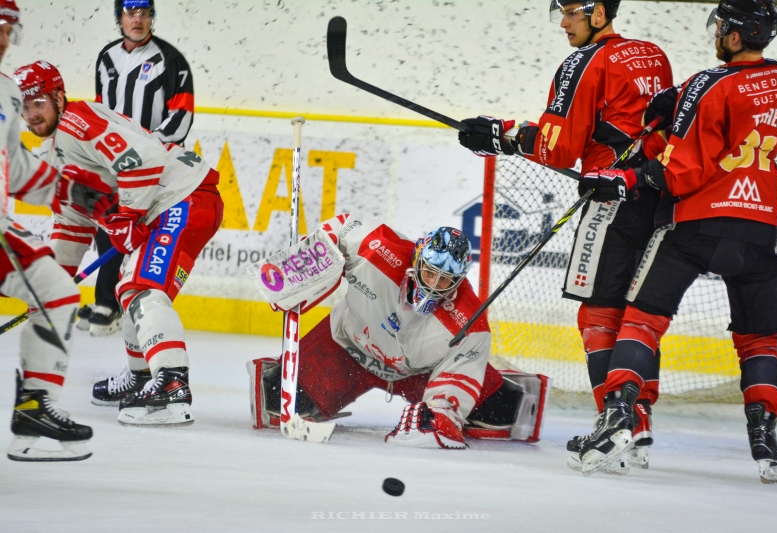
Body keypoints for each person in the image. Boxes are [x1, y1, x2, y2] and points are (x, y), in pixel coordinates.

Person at [578, 0, 777, 483]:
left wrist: (626, 180)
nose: (716, 32)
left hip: (696, 225)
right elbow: (739, 99)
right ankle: (763, 434)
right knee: (758, 335)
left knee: (642, 320)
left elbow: (683, 169)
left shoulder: (707, 82)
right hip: (759, 225)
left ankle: (619, 414)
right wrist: (678, 98)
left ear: (735, 36)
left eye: (721, 26)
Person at [457, 0, 673, 472]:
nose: (563, 22)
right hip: (656, 197)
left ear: (598, 13)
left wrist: (502, 135)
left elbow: (559, 149)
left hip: (611, 201)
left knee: (599, 316)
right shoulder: (652, 54)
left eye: (571, 12)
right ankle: (639, 420)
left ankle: (614, 423)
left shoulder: (583, 62)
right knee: (634, 316)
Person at [15, 59, 223, 427]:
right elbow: (72, 224)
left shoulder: (76, 122)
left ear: (59, 98)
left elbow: (144, 160)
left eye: (39, 102)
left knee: (138, 286)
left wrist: (127, 216)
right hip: (168, 204)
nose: (32, 114)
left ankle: (172, 385)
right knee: (129, 287)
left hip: (182, 197)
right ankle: (143, 376)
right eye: (25, 105)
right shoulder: (52, 152)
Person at [247, 215, 549, 448]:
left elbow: (456, 381)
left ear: (459, 282)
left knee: (504, 411)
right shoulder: (380, 250)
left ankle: (502, 384)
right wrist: (302, 265)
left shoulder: (471, 323)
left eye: (445, 280)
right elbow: (339, 229)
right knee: (275, 400)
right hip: (346, 349)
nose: (433, 284)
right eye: (430, 272)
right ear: (416, 259)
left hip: (418, 374)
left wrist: (440, 414)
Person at [0, 0, 112, 460]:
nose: (4, 38)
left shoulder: (6, 90)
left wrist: (78, 195)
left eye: (10, 28)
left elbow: (19, 167)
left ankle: (32, 411)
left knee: (59, 292)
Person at [80, 0, 195, 336]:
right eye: (131, 13)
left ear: (152, 17)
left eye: (144, 13)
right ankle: (106, 301)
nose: (138, 19)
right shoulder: (107, 58)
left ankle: (125, 306)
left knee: (141, 236)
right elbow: (103, 110)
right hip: (112, 162)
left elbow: (181, 116)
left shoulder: (171, 60)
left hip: (153, 167)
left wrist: (148, 151)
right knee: (109, 224)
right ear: (120, 17)